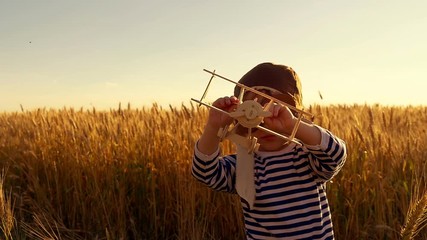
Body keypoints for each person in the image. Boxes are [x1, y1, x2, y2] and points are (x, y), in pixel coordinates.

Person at [191, 62, 347, 240]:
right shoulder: (244, 164)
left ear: (295, 116)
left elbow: (337, 154)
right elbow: (204, 172)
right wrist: (213, 127)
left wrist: (292, 126)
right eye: (256, 123)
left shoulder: (306, 157)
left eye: (274, 118)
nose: (265, 129)